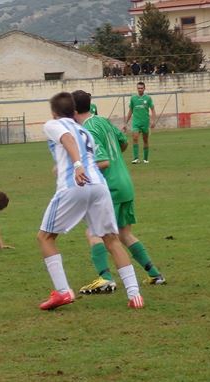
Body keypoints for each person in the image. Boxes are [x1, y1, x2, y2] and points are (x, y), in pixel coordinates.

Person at [36, 92, 144, 311]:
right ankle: (135, 295)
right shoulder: (85, 131)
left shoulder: (54, 124)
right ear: (75, 111)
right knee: (111, 239)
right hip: (99, 186)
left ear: (54, 112)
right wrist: (69, 163)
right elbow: (86, 153)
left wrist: (76, 166)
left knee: (45, 237)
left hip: (75, 185)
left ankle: (63, 292)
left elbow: (66, 139)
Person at [72, 90, 166, 294]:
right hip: (125, 182)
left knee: (94, 232)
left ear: (74, 109)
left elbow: (102, 162)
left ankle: (104, 277)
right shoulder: (103, 121)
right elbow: (123, 142)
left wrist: (79, 171)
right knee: (124, 233)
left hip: (110, 187)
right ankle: (154, 274)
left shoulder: (87, 129)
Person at [125, 82, 156, 164]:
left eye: (141, 88)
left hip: (145, 122)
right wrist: (126, 123)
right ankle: (136, 158)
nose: (140, 89)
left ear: (144, 89)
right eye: (138, 88)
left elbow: (152, 110)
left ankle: (145, 159)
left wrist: (153, 121)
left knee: (145, 140)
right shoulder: (133, 98)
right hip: (136, 122)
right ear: (137, 89)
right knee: (135, 138)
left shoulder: (148, 98)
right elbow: (130, 110)